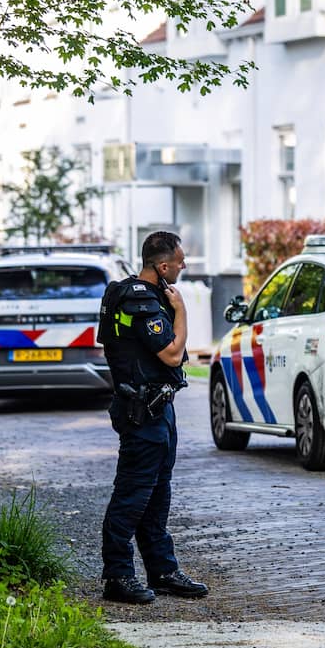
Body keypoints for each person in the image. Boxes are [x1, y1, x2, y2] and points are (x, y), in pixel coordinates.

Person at [97, 231, 208, 603]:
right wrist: (182, 312)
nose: (183, 266)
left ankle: (162, 570)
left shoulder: (143, 296)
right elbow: (172, 355)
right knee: (132, 495)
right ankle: (118, 576)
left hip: (158, 409)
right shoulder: (140, 302)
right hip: (141, 413)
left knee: (157, 494)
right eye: (179, 261)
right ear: (162, 266)